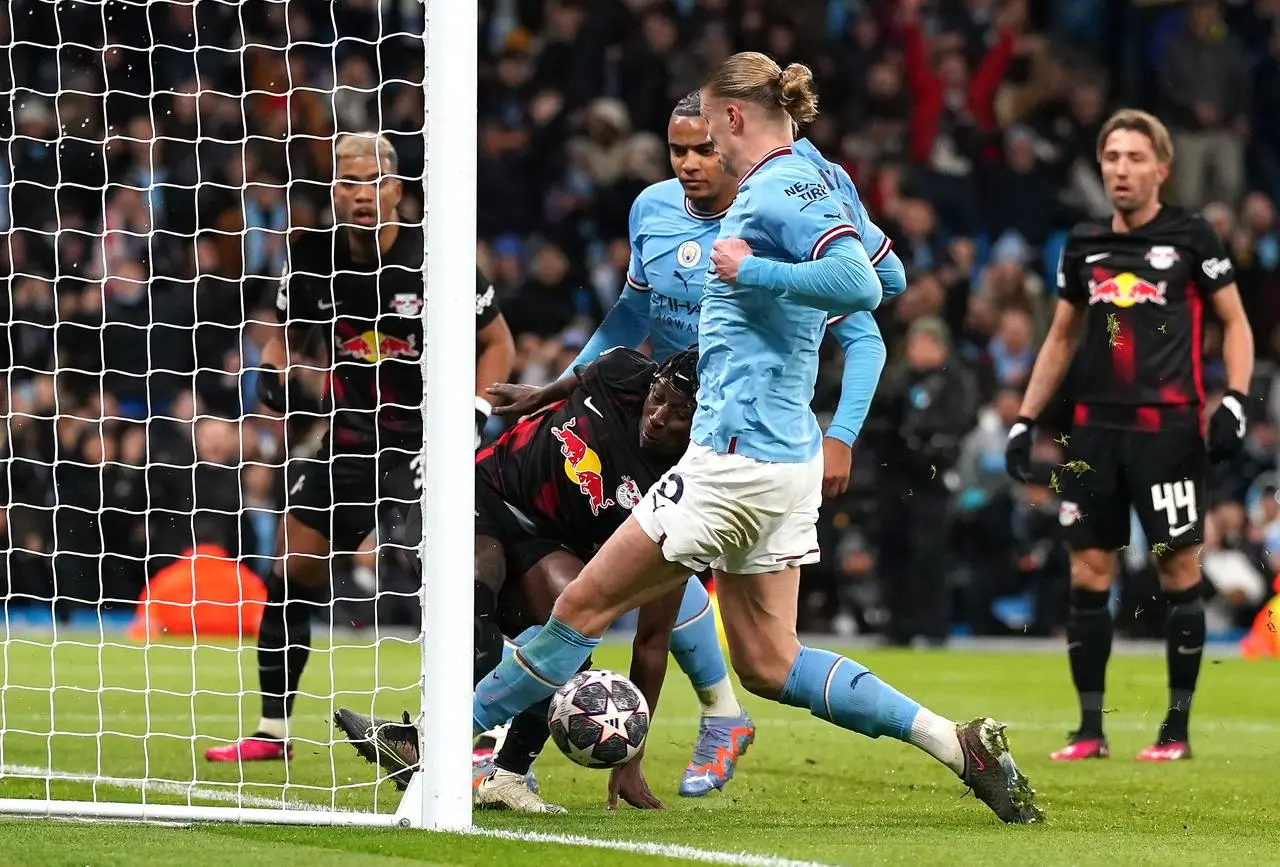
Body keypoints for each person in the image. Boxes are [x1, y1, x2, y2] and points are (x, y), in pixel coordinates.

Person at [464, 52, 1042, 825]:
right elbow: (891, 274)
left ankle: (438, 737)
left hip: (731, 459)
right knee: (771, 662)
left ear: (732, 118)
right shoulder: (821, 174)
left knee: (580, 604)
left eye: (707, 130)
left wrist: (753, 271)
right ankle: (955, 741)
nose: (703, 150)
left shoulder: (772, 188)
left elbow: (865, 289)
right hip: (781, 461)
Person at [494, 91, 905, 797]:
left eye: (702, 148)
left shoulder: (780, 207)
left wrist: (842, 434)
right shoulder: (651, 210)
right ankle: (705, 717)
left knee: (632, 598)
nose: (688, 163)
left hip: (738, 436)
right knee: (627, 588)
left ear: (731, 141)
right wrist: (556, 387)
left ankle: (505, 748)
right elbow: (629, 314)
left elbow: (868, 317)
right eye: (676, 149)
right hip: (656, 419)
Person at [205, 133, 515, 763]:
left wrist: (474, 412)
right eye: (349, 182)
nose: (361, 194)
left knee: (452, 580)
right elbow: (283, 339)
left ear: (397, 190)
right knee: (290, 572)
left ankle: (481, 734)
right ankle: (273, 732)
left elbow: (499, 345)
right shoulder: (313, 253)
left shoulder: (439, 255)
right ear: (334, 192)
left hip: (421, 442)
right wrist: (271, 371)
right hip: (346, 439)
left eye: (374, 182)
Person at [335, 347, 700, 813]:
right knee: (473, 597)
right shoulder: (624, 370)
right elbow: (578, 380)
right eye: (658, 398)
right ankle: (419, 741)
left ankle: (505, 778)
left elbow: (652, 639)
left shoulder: (684, 493)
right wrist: (541, 395)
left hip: (546, 542)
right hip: (485, 488)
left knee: (571, 645)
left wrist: (632, 755)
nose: (658, 417)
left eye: (680, 414)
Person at [1006, 108, 1254, 762]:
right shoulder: (1083, 243)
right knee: (1087, 570)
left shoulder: (1194, 237)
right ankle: (1090, 728)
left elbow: (1235, 323)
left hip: (1168, 430)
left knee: (1178, 566)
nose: (1121, 168)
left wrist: (1234, 397)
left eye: (1135, 158)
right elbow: (1060, 337)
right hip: (1092, 433)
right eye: (1111, 157)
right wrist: (1026, 417)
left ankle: (1176, 729)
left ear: (1161, 170)